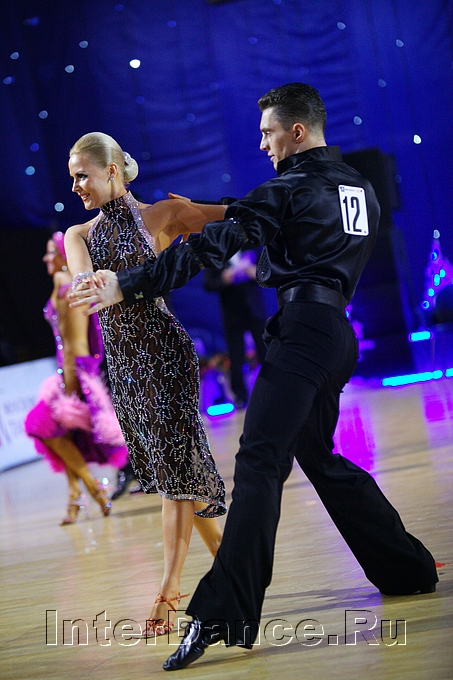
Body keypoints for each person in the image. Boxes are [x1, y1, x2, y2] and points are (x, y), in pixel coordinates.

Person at [69, 84, 438, 671]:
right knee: (317, 455)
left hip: (303, 335)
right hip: (335, 333)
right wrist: (216, 210)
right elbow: (276, 211)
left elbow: (215, 244)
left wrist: (127, 283)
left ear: (296, 131)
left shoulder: (289, 187)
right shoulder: (357, 187)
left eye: (268, 132)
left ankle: (222, 613)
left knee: (259, 461)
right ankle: (406, 566)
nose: (263, 144)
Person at [63, 132, 227, 637]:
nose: (76, 186)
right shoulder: (77, 235)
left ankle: (168, 592)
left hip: (166, 355)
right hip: (126, 368)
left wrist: (200, 209)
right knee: (177, 470)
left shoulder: (161, 215)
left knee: (175, 470)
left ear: (112, 170)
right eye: (72, 178)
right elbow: (83, 283)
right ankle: (233, 564)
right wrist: (87, 284)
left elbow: (238, 219)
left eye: (83, 175)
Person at [25, 232, 129, 525]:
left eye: (51, 252)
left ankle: (93, 490)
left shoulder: (65, 284)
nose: (46, 258)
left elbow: (75, 344)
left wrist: (70, 387)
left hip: (74, 374)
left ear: (63, 255)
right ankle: (75, 496)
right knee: (63, 435)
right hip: (73, 371)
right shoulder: (72, 284)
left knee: (40, 426)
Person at [204, 247, 268, 408]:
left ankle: (274, 388)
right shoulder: (216, 253)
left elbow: (267, 271)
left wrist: (253, 271)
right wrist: (225, 278)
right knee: (236, 356)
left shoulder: (251, 246)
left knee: (265, 350)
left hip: (254, 309)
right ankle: (240, 396)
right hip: (232, 313)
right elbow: (209, 283)